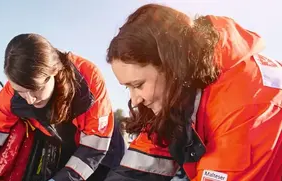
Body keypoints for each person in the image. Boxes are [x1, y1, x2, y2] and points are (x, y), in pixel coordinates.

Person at [104, 4, 281, 181]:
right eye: (127, 87)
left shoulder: (247, 105)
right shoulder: (176, 92)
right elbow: (141, 164)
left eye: (138, 84)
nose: (134, 101)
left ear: (173, 65)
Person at [0, 34, 124, 181]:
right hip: (61, 144)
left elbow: (93, 149)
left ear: (54, 71)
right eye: (21, 92)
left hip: (102, 149)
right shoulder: (12, 92)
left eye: (35, 89)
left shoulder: (89, 81)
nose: (30, 100)